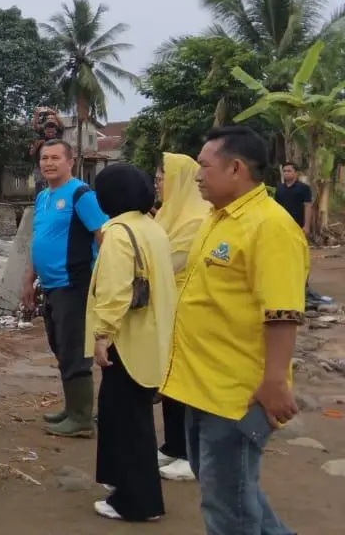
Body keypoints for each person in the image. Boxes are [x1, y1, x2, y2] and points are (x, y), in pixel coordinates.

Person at [161, 126, 307, 535]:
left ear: (236, 168)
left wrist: (274, 382)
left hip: (237, 394)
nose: (197, 176)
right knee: (233, 492)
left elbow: (282, 313)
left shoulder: (269, 226)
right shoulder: (217, 218)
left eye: (204, 166)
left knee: (228, 508)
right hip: (201, 385)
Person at [87, 164, 176, 522]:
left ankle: (138, 502)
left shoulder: (118, 234)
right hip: (152, 336)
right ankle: (121, 483)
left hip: (126, 340)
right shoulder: (152, 227)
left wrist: (102, 335)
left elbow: (114, 291)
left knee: (127, 420)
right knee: (127, 414)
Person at [21, 139, 108, 437]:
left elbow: (102, 235)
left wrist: (105, 278)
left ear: (70, 162)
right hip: (50, 286)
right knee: (60, 346)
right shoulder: (43, 196)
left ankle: (81, 418)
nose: (48, 163)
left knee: (74, 350)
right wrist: (29, 278)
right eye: (44, 158)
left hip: (75, 284)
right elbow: (38, 239)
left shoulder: (81, 194)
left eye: (55, 158)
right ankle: (72, 408)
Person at [153, 153, 211, 482]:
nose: (157, 184)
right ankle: (174, 444)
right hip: (166, 310)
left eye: (162, 179)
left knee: (188, 383)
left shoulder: (196, 220)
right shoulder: (168, 214)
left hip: (188, 310)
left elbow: (168, 263)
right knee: (170, 380)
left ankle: (191, 455)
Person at [274, 161, 313, 238]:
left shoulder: (304, 188)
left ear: (296, 173)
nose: (286, 173)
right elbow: (276, 206)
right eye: (284, 171)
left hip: (298, 225)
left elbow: (308, 206)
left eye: (289, 171)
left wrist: (307, 226)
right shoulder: (279, 188)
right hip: (282, 224)